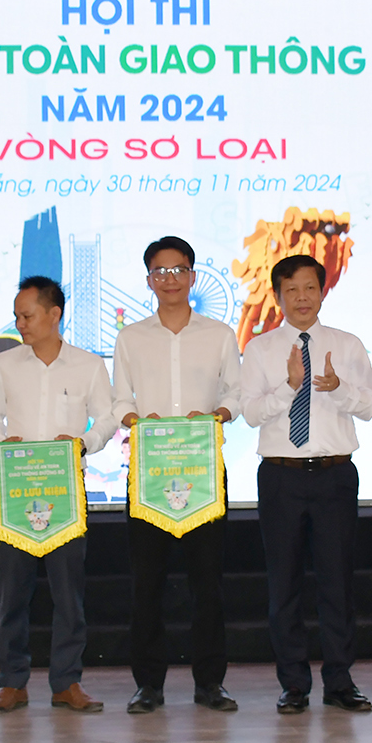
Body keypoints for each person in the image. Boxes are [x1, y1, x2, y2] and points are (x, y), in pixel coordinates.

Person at [241, 254, 372, 714]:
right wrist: (289, 387)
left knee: (337, 582)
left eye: (310, 288)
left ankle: (340, 681)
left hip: (335, 474)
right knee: (284, 584)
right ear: (278, 296)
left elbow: (369, 406)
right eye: (291, 290)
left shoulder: (348, 344)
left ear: (323, 292)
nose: (301, 298)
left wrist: (336, 386)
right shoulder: (260, 349)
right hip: (281, 475)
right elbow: (251, 413)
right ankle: (293, 684)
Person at [112, 236, 243, 714]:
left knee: (206, 583)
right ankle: (148, 684)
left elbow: (238, 391)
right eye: (160, 272)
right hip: (148, 473)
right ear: (149, 279)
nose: (170, 279)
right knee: (147, 584)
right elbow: (119, 398)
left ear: (193, 276)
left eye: (178, 270)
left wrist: (219, 414)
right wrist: (132, 420)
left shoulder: (219, 334)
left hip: (203, 471)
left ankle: (211, 683)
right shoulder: (131, 338)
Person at [0, 276, 115, 714]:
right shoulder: (4, 365)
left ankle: (66, 682)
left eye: (27, 315)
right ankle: (12, 683)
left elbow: (107, 419)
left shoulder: (89, 365)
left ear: (54, 315)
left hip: (65, 495)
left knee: (67, 595)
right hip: (16, 492)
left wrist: (82, 443)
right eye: (17, 316)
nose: (20, 324)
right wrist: (3, 444)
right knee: (13, 595)